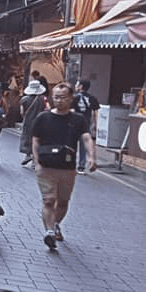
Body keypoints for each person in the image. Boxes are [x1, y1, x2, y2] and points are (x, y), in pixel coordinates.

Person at [32, 82, 95, 251]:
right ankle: (50, 232)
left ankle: (55, 224)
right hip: (46, 167)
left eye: (63, 98)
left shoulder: (78, 119)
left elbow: (87, 138)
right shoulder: (43, 118)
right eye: (56, 97)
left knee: (63, 202)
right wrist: (36, 162)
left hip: (67, 168)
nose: (59, 101)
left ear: (71, 99)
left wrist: (91, 157)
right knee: (48, 200)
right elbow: (35, 140)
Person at [73, 80, 99, 175]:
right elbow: (95, 113)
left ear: (81, 86)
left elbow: (71, 111)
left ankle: (71, 164)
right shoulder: (92, 98)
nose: (75, 85)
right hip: (86, 125)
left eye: (77, 84)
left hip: (74, 125)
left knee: (72, 146)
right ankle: (81, 166)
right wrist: (96, 125)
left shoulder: (74, 98)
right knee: (83, 146)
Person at [19, 80, 48, 166]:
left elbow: (21, 112)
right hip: (40, 122)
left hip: (28, 122)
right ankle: (35, 160)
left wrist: (25, 117)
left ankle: (28, 155)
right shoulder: (43, 99)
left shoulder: (24, 99)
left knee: (27, 138)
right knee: (38, 140)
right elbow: (48, 108)